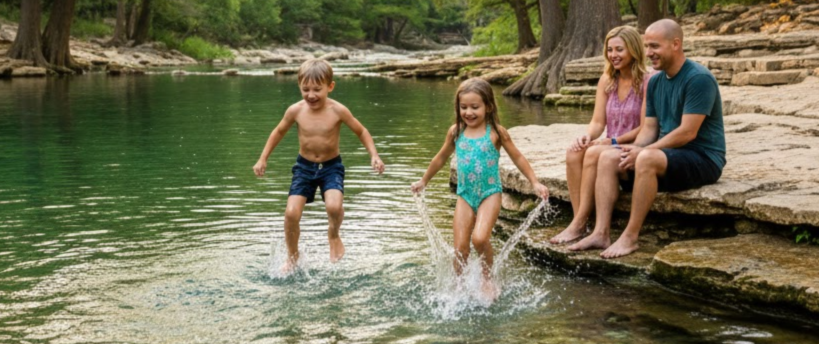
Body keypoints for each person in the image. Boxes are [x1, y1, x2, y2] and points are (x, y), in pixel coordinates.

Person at [569, 19, 726, 258]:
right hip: (669, 155)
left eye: (654, 46)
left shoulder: (698, 78)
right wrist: (629, 148)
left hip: (702, 157)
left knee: (646, 158)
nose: (648, 53)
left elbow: (687, 132)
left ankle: (630, 237)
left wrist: (642, 152)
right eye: (646, 46)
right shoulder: (656, 82)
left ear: (676, 44)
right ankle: (601, 233)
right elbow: (649, 129)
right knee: (609, 157)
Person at [411, 78, 549, 301]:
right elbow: (440, 158)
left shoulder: (496, 132)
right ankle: (459, 284)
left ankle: (487, 278)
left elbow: (518, 157)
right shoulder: (455, 132)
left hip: (489, 193)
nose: (469, 112)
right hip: (464, 195)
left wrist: (534, 182)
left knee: (480, 238)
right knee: (460, 248)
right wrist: (423, 181)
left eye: (475, 107)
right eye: (463, 107)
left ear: (489, 106)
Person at [253, 58, 385, 274]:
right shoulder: (295, 110)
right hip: (304, 167)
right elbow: (278, 132)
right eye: (305, 89)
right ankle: (292, 257)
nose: (311, 95)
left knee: (333, 207)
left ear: (330, 87)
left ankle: (333, 235)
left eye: (317, 89)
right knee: (291, 213)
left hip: (331, 167)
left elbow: (361, 131)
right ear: (299, 87)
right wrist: (263, 158)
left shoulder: (338, 110)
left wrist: (374, 155)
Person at [550, 26, 653, 244]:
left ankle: (579, 224)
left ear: (634, 50)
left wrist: (613, 141)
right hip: (608, 143)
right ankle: (580, 222)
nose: (613, 55)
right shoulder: (606, 80)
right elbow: (598, 122)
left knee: (594, 153)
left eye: (619, 50)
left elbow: (645, 128)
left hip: (631, 146)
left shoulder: (648, 81)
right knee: (574, 152)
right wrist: (587, 136)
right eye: (610, 50)